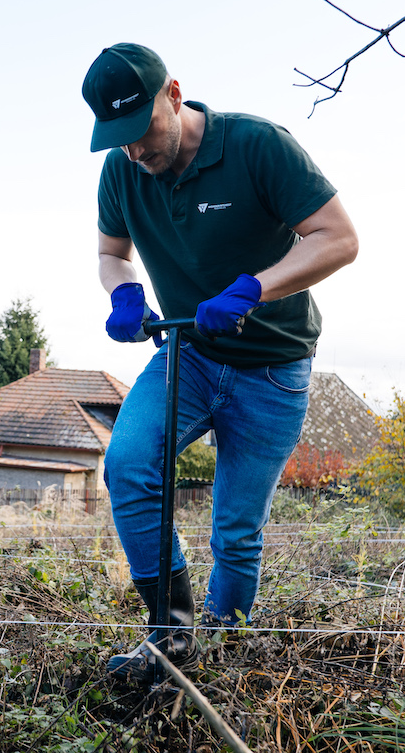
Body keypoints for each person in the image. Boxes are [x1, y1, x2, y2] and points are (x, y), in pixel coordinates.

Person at [81, 44, 359, 681]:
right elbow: (111, 253)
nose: (134, 150)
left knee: (235, 530)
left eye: (142, 129)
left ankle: (225, 653)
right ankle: (172, 637)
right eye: (118, 138)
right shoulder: (122, 170)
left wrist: (255, 288)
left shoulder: (258, 146)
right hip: (191, 356)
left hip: (274, 369)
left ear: (174, 95)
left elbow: (340, 238)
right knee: (128, 463)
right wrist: (124, 292)